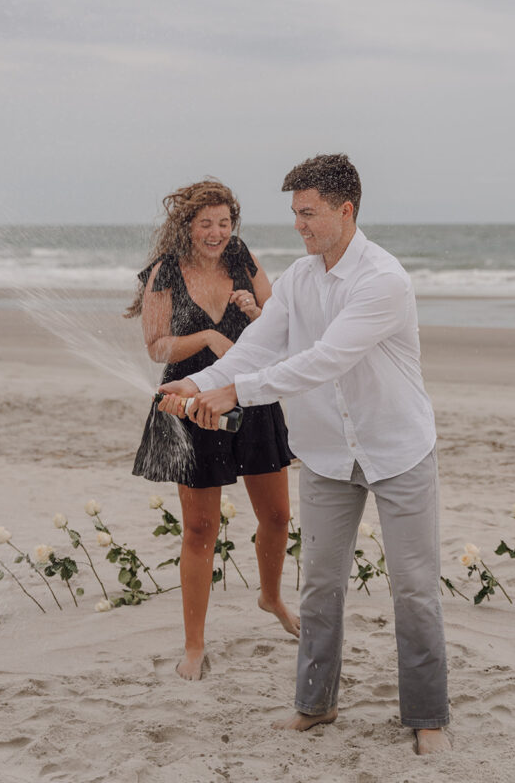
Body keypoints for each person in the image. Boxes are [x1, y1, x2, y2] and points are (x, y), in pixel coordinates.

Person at [159, 155, 451, 754]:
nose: (299, 224)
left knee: (414, 588)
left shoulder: (383, 280)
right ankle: (315, 705)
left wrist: (233, 392)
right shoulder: (296, 279)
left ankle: (428, 718)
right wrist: (199, 383)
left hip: (398, 451)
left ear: (346, 211)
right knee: (320, 586)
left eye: (309, 212)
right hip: (325, 456)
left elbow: (324, 360)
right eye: (294, 212)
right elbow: (258, 346)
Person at [127, 179, 299, 681]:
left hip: (250, 394)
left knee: (278, 515)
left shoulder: (242, 257)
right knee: (200, 528)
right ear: (187, 225)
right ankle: (194, 645)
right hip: (189, 402)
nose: (217, 233)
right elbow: (156, 346)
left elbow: (278, 319)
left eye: (225, 223)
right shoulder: (164, 272)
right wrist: (207, 336)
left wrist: (254, 311)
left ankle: (270, 597)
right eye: (207, 223)